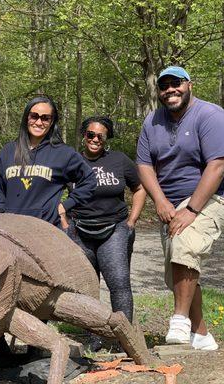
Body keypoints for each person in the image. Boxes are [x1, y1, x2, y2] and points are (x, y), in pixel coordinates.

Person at [137, 66, 224, 351]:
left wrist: (190, 210)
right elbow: (143, 165)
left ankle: (179, 319)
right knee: (177, 270)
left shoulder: (210, 115)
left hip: (212, 198)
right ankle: (200, 333)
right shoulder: (152, 121)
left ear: (189, 85)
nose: (169, 90)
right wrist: (161, 202)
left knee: (184, 244)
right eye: (163, 86)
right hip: (170, 203)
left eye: (176, 83)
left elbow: (218, 165)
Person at [66, 117, 146, 325]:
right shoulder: (70, 161)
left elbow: (139, 188)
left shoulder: (119, 160)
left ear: (107, 138)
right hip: (80, 230)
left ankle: (125, 336)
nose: (95, 139)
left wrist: (132, 220)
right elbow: (52, 191)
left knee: (119, 283)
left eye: (100, 136)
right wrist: (65, 224)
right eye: (90, 134)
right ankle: (95, 335)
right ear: (84, 136)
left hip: (115, 229)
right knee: (87, 286)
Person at [0, 96, 95, 229]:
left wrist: (66, 205)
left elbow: (89, 181)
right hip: (10, 228)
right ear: (26, 118)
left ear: (52, 122)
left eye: (45, 118)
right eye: (34, 116)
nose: (39, 122)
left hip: (45, 231)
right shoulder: (9, 151)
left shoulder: (63, 153)